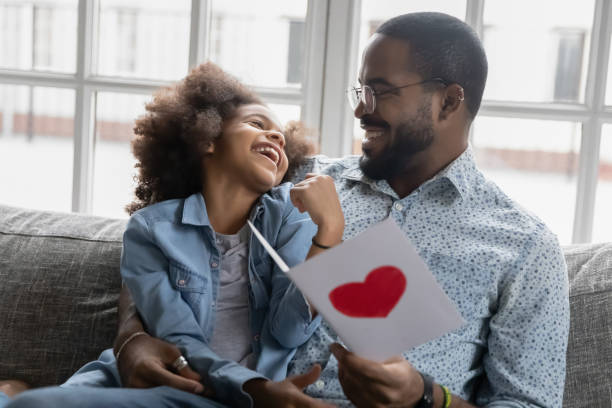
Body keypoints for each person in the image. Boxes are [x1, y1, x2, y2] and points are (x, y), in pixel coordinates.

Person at [8, 11, 570, 408]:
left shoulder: (522, 248)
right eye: (358, 90)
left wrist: (426, 396)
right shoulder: (301, 178)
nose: (359, 109)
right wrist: (132, 337)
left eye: (379, 92)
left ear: (449, 101)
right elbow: (174, 233)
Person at [2, 62, 343, 408]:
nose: (277, 136)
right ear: (208, 138)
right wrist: (253, 388)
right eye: (258, 124)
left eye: (281, 136)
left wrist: (328, 235)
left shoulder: (289, 218)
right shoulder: (151, 230)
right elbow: (179, 338)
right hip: (152, 384)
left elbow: (289, 330)